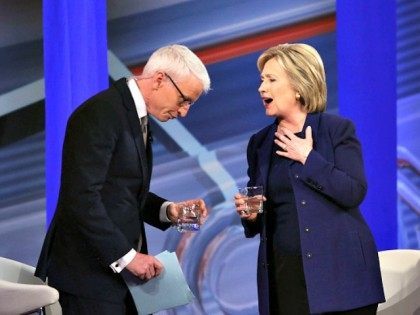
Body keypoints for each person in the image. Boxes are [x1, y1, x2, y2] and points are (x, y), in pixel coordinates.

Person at [35, 44, 211, 314]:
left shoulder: (135, 116)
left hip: (118, 282)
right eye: (184, 100)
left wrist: (169, 212)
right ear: (160, 79)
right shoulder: (100, 114)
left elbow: (120, 191)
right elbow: (81, 198)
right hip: (88, 281)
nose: (184, 111)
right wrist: (128, 257)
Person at [234, 43, 385, 314]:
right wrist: (251, 214)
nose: (261, 88)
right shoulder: (259, 143)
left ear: (299, 86)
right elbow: (259, 214)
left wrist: (308, 158)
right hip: (286, 279)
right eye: (261, 80)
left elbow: (353, 191)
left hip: (341, 278)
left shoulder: (336, 130)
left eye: (271, 80)